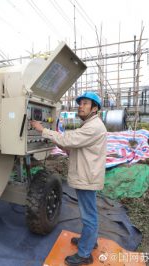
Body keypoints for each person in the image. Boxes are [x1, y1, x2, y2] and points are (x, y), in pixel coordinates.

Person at [30, 91, 107, 266]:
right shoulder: (90, 125)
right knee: (90, 212)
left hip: (87, 177)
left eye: (86, 103)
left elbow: (69, 139)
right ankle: (89, 241)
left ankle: (85, 254)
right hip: (87, 174)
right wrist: (63, 144)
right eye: (80, 103)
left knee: (89, 215)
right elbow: (75, 145)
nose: (81, 106)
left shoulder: (93, 127)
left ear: (95, 108)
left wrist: (43, 130)